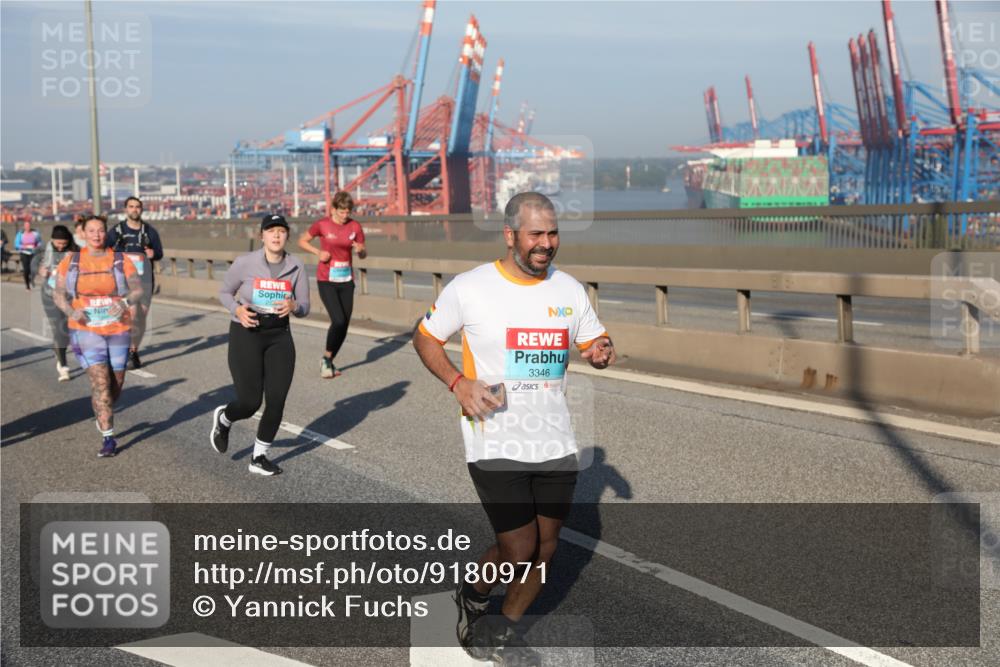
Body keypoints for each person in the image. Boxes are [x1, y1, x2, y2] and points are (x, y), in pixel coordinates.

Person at [412, 192, 616, 666]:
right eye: (536, 234)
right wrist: (457, 382)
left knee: (546, 550)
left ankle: (501, 630)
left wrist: (602, 350)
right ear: (510, 236)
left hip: (555, 442)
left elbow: (595, 339)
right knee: (519, 548)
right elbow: (424, 338)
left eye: (552, 233)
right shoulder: (470, 287)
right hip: (494, 439)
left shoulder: (569, 290)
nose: (546, 244)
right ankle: (474, 592)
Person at [211, 213, 311, 476]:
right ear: (262, 236)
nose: (276, 235)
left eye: (281, 231)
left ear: (287, 235)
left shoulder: (296, 266)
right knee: (249, 402)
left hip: (279, 335)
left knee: (276, 399)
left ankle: (259, 457)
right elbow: (223, 292)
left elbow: (305, 307)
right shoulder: (245, 263)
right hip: (247, 333)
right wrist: (237, 310)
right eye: (271, 231)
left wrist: (294, 306)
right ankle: (225, 418)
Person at [53, 215, 144, 458]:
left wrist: (124, 302)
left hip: (118, 329)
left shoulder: (120, 259)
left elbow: (137, 289)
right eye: (91, 231)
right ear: (82, 233)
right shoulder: (71, 261)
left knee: (116, 385)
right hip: (86, 329)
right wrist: (73, 311)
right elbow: (58, 294)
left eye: (101, 230)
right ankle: (108, 438)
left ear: (107, 233)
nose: (96, 235)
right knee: (101, 383)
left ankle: (101, 409)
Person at [297, 191, 366, 379]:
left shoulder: (355, 226)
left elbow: (362, 252)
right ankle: (327, 360)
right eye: (341, 212)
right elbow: (302, 241)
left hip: (346, 280)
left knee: (344, 324)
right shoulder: (322, 224)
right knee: (338, 320)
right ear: (333, 209)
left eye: (348, 212)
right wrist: (317, 252)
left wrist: (360, 250)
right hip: (326, 279)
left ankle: (328, 358)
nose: (345, 216)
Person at [106, 197, 164, 370]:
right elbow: (104, 251)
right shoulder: (116, 231)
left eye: (137, 207)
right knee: (130, 313)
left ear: (141, 210)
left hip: (145, 280)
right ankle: (121, 347)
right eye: (131, 207)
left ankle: (133, 350)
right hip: (123, 282)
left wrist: (154, 254)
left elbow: (160, 252)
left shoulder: (150, 232)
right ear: (126, 209)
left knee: (141, 317)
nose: (134, 210)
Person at [38, 225, 78, 381]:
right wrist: (41, 270)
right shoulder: (44, 250)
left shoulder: (75, 250)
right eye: (58, 243)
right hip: (50, 295)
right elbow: (35, 264)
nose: (60, 246)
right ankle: (63, 365)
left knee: (68, 331)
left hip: (70, 296)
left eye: (63, 243)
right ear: (52, 240)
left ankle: (60, 350)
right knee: (58, 330)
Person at [14, 220, 41, 290]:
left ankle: (30, 278)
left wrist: (36, 247)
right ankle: (27, 285)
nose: (27, 227)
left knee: (32, 269)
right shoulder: (20, 234)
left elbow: (39, 242)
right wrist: (24, 247)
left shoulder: (35, 233)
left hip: (33, 252)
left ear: (30, 226)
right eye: (26, 226)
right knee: (26, 269)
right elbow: (16, 244)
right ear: (24, 226)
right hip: (24, 253)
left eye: (28, 226)